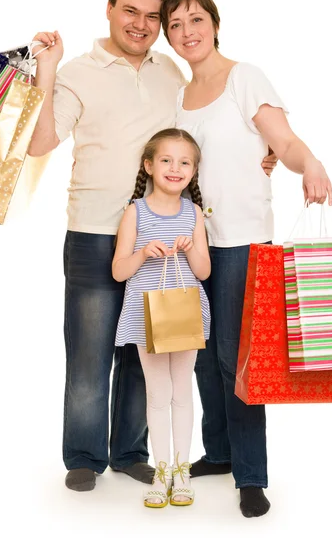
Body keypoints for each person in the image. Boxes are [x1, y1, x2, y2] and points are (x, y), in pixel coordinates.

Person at [28, 0, 276, 493]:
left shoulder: (172, 74)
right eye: (130, 11)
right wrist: (45, 73)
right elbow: (39, 143)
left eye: (151, 16)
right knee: (91, 352)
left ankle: (130, 452)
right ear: (110, 9)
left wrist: (264, 151)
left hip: (169, 236)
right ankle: (84, 455)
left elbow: (205, 133)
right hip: (96, 230)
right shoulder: (78, 71)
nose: (140, 24)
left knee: (151, 346)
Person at [161, 0, 332, 517]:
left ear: (214, 23)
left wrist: (310, 165)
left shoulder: (244, 77)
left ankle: (251, 474)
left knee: (239, 355)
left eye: (195, 20)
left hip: (240, 239)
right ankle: (219, 452)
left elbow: (282, 142)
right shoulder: (178, 95)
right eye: (176, 25)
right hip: (191, 241)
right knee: (201, 350)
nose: (186, 32)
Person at [112, 128, 210, 507]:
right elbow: (120, 271)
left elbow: (203, 272)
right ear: (149, 166)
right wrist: (142, 254)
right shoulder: (135, 211)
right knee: (158, 393)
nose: (176, 168)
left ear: (194, 171)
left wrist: (187, 250)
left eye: (185, 162)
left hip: (186, 311)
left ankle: (183, 471)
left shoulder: (194, 213)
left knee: (182, 391)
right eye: (166, 160)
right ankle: (162, 470)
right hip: (144, 312)